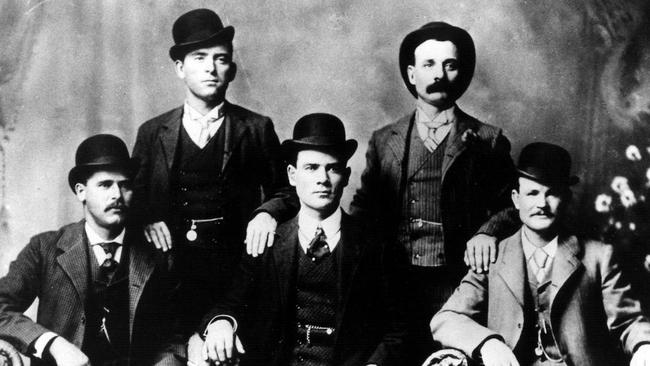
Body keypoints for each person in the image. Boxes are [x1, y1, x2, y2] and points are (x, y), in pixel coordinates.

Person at [350, 21, 516, 362]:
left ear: (462, 73)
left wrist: (487, 233)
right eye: (428, 65)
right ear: (411, 74)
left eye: (450, 65)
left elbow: (513, 205)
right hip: (395, 280)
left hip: (458, 281)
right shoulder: (385, 140)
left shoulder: (488, 138)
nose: (439, 74)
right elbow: (363, 207)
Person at [189, 113, 407, 366]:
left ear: (346, 177)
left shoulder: (376, 245)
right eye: (311, 168)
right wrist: (222, 324)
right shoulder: (267, 241)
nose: (323, 179)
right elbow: (231, 302)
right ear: (292, 175)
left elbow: (401, 328)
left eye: (333, 168)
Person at [131, 8, 297, 336]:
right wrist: (147, 219)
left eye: (220, 59)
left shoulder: (255, 128)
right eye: (199, 57)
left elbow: (288, 190)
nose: (211, 68)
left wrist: (267, 213)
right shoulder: (152, 132)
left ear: (231, 71)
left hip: (236, 274)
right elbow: (130, 198)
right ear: (179, 68)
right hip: (169, 274)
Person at [430, 142, 650, 366]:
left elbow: (628, 321)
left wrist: (644, 347)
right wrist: (488, 343)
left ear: (567, 198)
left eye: (552, 193)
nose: (541, 204)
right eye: (532, 193)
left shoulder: (599, 257)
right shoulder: (494, 257)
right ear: (516, 199)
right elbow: (446, 319)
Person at [0, 134, 179, 366]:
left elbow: (175, 335)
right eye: (105, 185)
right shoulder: (44, 248)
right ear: (81, 191)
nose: (116, 194)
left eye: (124, 185)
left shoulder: (156, 253)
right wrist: (53, 343)